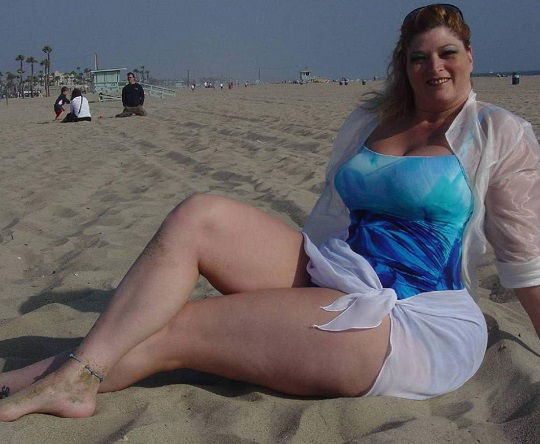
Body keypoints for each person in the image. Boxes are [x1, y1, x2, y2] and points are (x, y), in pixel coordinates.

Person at [0, 4, 539, 421]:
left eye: (447, 53)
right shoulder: (373, 119)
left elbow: (525, 260)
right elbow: (333, 215)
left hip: (409, 317)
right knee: (199, 214)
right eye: (419, 57)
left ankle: (53, 381)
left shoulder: (497, 132)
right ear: (405, 64)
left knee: (176, 328)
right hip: (337, 267)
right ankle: (72, 372)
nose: (434, 67)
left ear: (470, 55)